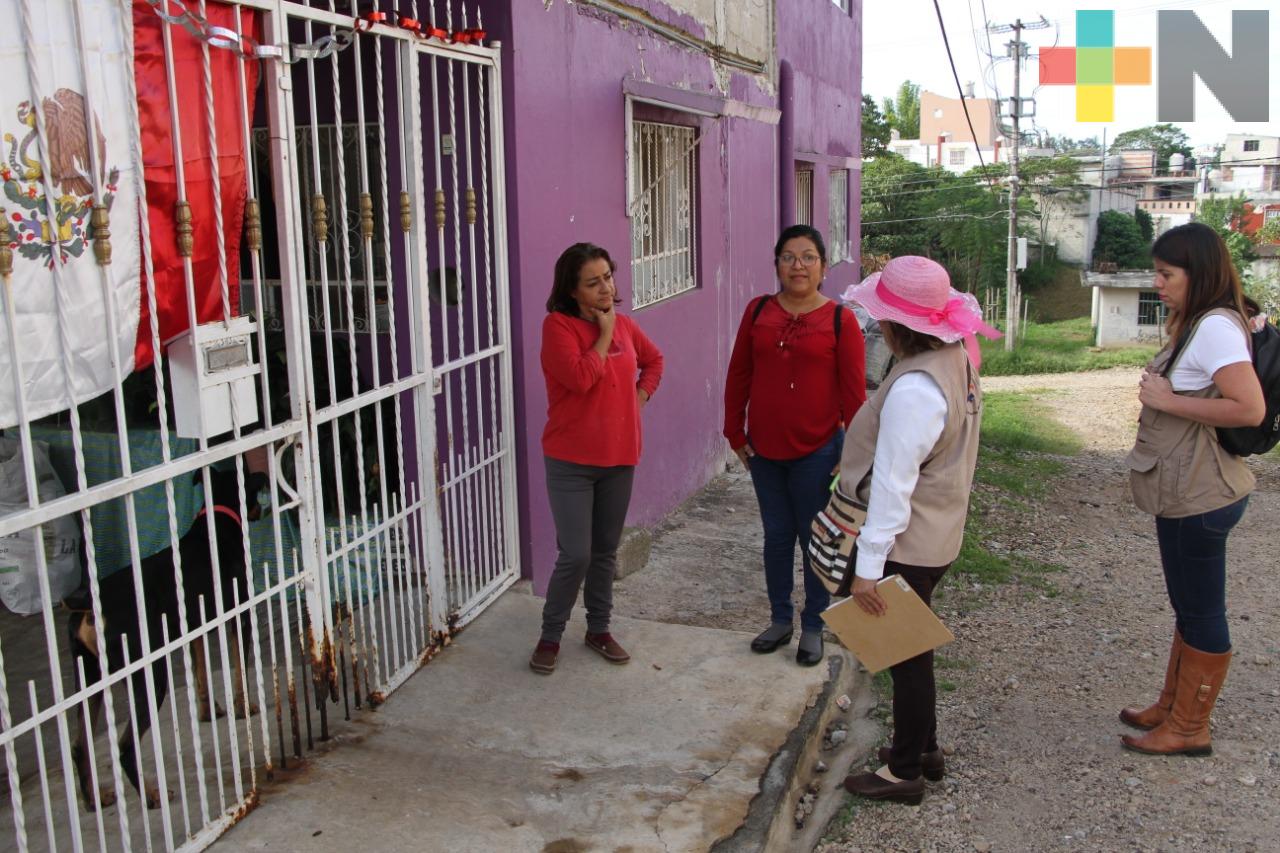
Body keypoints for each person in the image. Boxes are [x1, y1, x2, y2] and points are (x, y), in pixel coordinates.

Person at [837, 256, 1000, 806]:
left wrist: (867, 569)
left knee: (905, 655)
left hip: (907, 540)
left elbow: (892, 486)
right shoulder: (955, 360)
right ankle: (923, 748)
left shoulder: (913, 389)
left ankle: (905, 770)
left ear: (893, 326)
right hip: (938, 531)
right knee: (913, 646)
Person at [1119, 222, 1264, 756]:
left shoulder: (1216, 329)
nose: (1158, 283)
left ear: (1196, 273)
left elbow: (1249, 408)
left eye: (1166, 274)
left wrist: (1167, 399)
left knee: (1202, 610)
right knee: (1187, 605)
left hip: (1201, 495)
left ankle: (1188, 727)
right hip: (1186, 489)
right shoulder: (1202, 322)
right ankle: (1171, 706)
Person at [723, 225, 866, 667]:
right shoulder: (758, 311)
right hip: (764, 451)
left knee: (815, 541)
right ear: (777, 265)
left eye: (808, 257)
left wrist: (851, 451)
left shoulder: (841, 321)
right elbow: (738, 375)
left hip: (818, 452)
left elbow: (854, 395)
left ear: (823, 266)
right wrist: (736, 434)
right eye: (788, 257)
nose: (798, 265)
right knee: (777, 538)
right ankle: (780, 620)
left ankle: (814, 626)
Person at [530, 243, 664, 675]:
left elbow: (655, 361)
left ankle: (599, 630)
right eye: (594, 282)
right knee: (576, 553)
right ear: (573, 291)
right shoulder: (558, 328)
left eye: (608, 276)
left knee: (605, 551)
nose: (606, 287)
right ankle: (551, 635)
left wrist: (639, 396)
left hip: (619, 456)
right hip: (570, 460)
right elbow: (582, 379)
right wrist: (604, 335)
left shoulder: (626, 324)